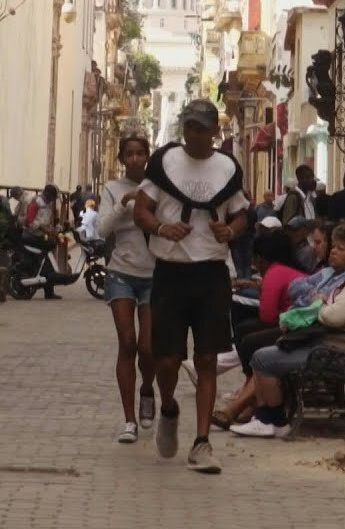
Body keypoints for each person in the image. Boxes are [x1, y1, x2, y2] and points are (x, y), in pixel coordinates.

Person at [134, 99, 249, 474]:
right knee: (165, 358)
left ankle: (202, 442)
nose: (194, 134)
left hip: (211, 273)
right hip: (171, 270)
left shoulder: (227, 169)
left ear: (215, 131)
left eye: (201, 128)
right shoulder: (164, 165)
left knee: (206, 359)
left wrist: (230, 230)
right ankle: (168, 406)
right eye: (190, 127)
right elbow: (142, 208)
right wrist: (161, 228)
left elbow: (241, 213)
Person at [231, 229, 345, 438]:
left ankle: (272, 420)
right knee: (262, 351)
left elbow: (332, 316)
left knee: (262, 358)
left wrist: (320, 303)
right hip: (331, 346)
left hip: (337, 353)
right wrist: (324, 302)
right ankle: (266, 417)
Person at [212, 222, 345, 430]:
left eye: (339, 248)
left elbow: (320, 310)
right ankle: (248, 406)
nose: (332, 251)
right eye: (332, 246)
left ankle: (253, 412)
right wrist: (313, 297)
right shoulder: (328, 273)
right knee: (251, 337)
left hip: (320, 342)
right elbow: (296, 289)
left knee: (259, 349)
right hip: (304, 330)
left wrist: (313, 299)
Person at [97, 135, 158, 444]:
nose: (135, 159)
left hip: (154, 274)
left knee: (148, 347)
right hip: (121, 272)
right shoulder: (112, 189)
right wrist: (124, 204)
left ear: (148, 156)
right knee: (127, 341)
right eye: (129, 154)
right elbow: (101, 229)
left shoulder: (159, 186)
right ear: (122, 159)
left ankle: (147, 389)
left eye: (140, 153)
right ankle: (129, 419)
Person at [25, 184, 69, 296]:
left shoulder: (48, 204)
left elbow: (48, 220)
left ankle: (49, 291)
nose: (54, 199)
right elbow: (30, 221)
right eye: (54, 196)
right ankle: (48, 291)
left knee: (48, 260)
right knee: (47, 262)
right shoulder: (36, 202)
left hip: (40, 235)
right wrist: (42, 228)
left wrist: (55, 227)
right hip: (32, 235)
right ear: (49, 195)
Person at [229, 191, 257, 281]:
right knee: (247, 261)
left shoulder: (235, 211)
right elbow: (254, 222)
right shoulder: (251, 210)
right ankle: (247, 278)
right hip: (249, 237)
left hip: (236, 238)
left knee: (238, 260)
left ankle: (241, 279)